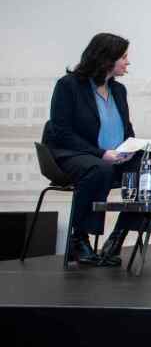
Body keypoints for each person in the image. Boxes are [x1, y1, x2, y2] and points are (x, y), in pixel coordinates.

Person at [42, 32, 140, 267]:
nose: (128, 62)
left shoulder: (119, 91)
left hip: (111, 157)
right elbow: (62, 132)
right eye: (123, 57)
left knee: (147, 170)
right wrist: (102, 154)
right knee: (99, 169)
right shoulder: (69, 86)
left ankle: (117, 239)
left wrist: (133, 148)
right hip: (71, 155)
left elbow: (127, 130)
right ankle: (80, 238)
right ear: (107, 59)